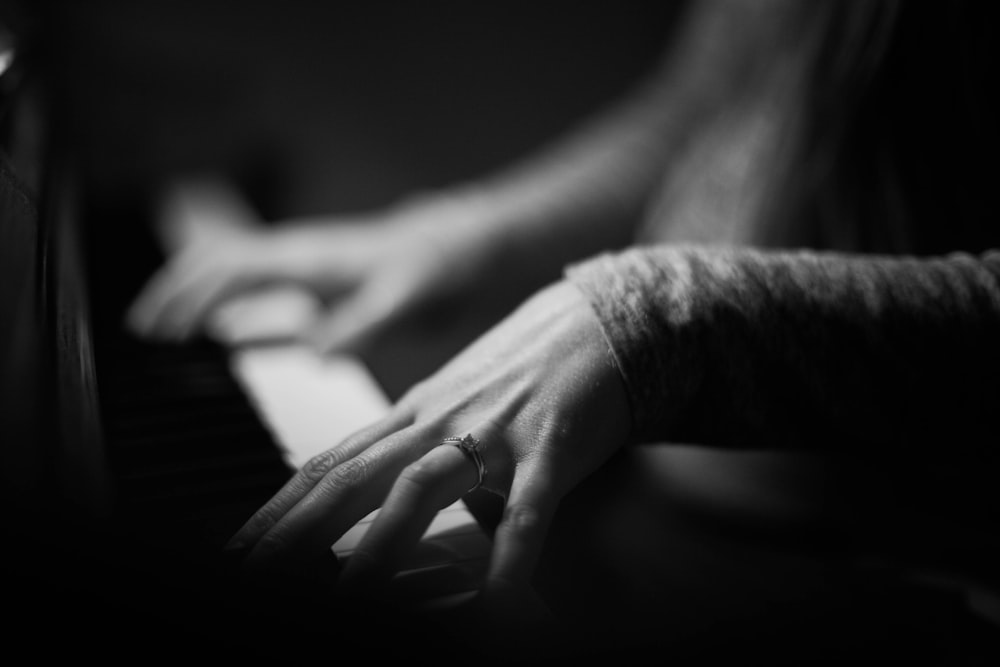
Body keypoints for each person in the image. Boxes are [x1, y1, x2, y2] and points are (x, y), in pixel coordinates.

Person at [127, 0, 999, 661]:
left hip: (911, 569)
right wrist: (463, 233)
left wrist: (658, 321)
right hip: (671, 514)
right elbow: (709, 114)